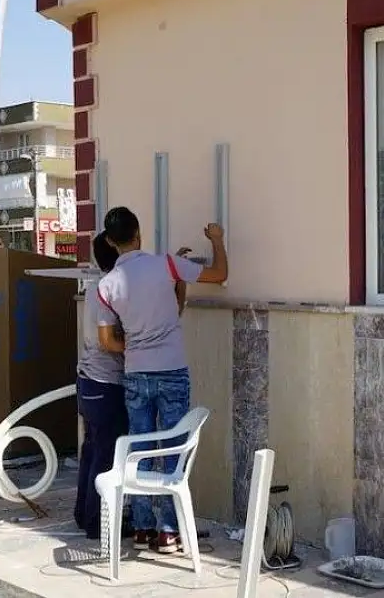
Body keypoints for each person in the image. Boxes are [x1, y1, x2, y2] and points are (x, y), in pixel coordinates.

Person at [96, 207, 228, 553]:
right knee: (173, 450)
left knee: (137, 450)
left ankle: (142, 529)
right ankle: (169, 532)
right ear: (139, 232)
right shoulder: (166, 265)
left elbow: (108, 340)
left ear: (110, 241)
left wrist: (138, 347)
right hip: (171, 370)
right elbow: (219, 274)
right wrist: (217, 239)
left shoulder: (107, 285)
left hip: (135, 373)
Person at [73, 232, 130, 540]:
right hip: (105, 384)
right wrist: (140, 345)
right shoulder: (110, 290)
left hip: (89, 383)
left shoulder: (97, 288)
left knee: (93, 450)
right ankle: (97, 523)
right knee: (106, 455)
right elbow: (109, 342)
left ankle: (84, 514)